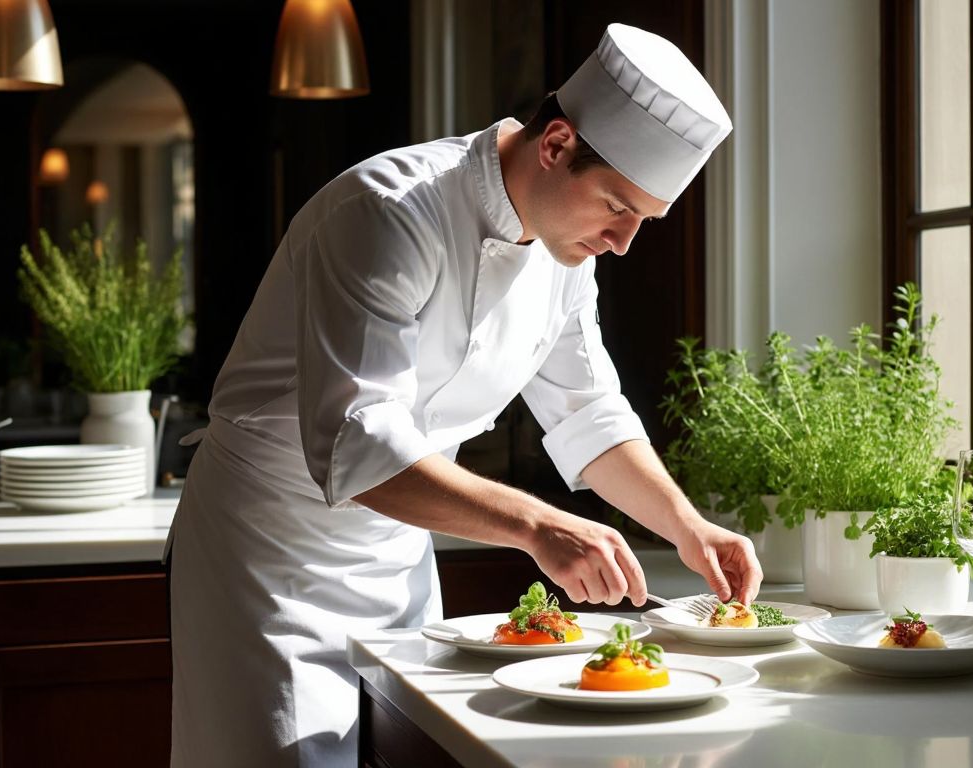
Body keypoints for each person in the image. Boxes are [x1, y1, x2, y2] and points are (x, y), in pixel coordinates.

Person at [168, 22, 761, 767]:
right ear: (555, 145)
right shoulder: (387, 212)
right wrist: (537, 525)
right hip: (269, 558)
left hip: (397, 556)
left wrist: (686, 527)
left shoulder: (566, 254)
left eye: (644, 219)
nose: (624, 242)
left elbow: (588, 413)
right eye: (617, 206)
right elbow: (360, 443)